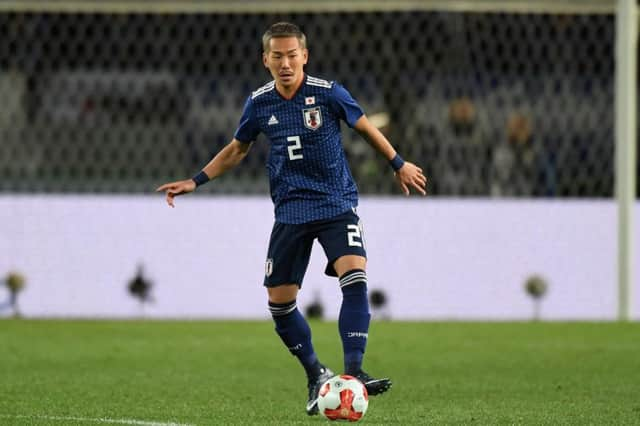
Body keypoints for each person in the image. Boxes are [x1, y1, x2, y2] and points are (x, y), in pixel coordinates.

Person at [156, 22, 427, 416]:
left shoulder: (328, 93)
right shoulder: (259, 103)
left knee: (355, 276)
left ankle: (354, 372)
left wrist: (398, 164)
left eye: (292, 55)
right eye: (277, 56)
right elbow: (237, 149)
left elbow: (365, 126)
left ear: (305, 56)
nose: (285, 63)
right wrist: (196, 181)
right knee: (280, 304)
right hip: (291, 212)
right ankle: (316, 373)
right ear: (265, 60)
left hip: (336, 203)